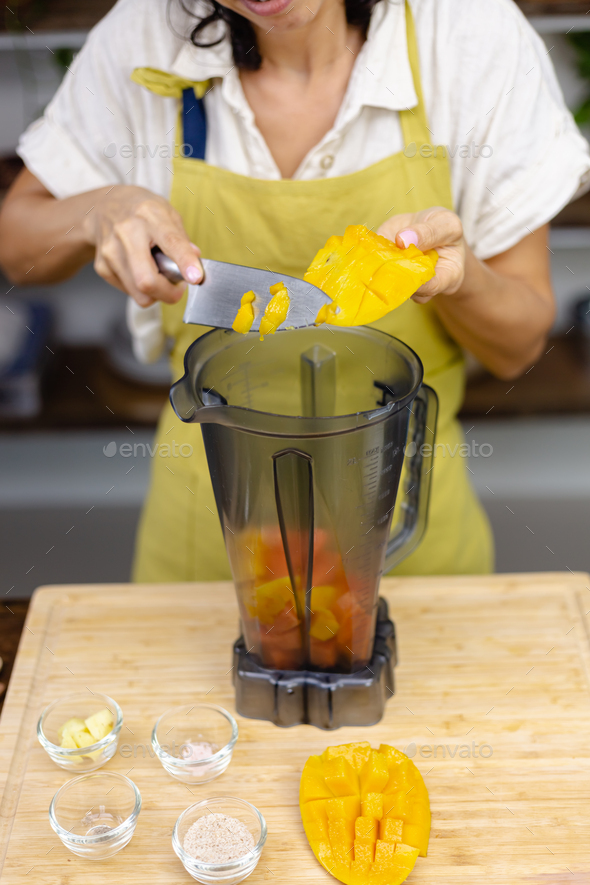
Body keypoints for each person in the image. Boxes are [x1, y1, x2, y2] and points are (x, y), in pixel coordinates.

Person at [0, 0, 588, 581]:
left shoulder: (468, 32)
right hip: (208, 546)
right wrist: (100, 209)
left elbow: (516, 347)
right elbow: (18, 248)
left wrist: (462, 280)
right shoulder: (143, 31)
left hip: (405, 540)